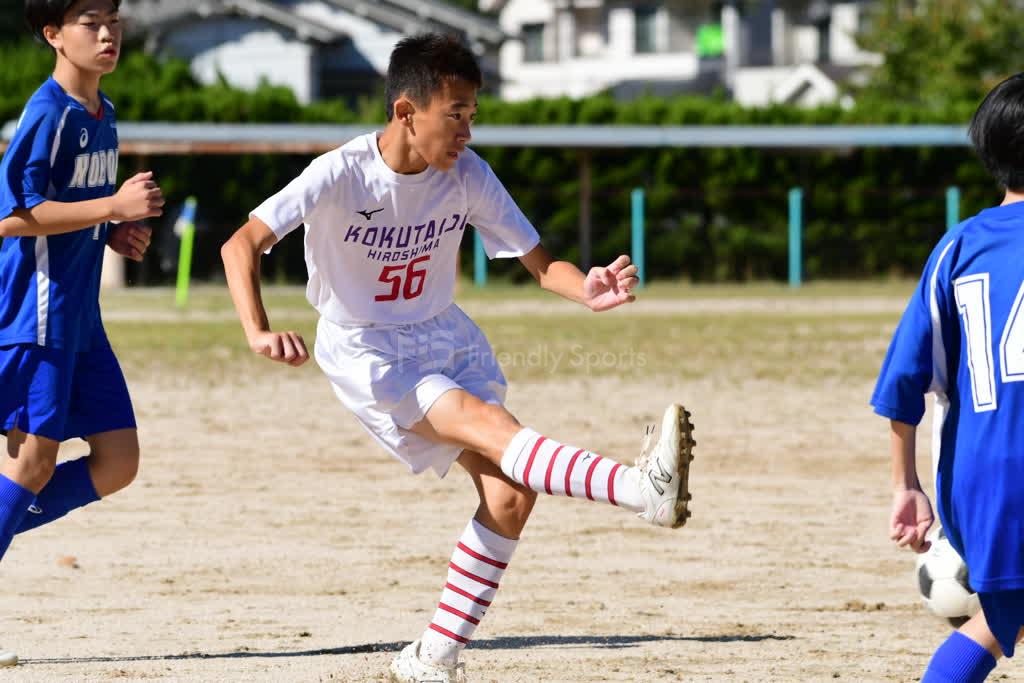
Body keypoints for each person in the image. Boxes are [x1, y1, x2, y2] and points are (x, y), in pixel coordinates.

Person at [221, 33, 695, 683]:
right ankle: (641, 490)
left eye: (474, 114)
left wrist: (585, 287)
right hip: (369, 347)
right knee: (490, 426)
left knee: (509, 493)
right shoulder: (341, 173)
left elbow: (540, 262)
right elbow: (241, 243)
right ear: (406, 111)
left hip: (444, 333)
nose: (467, 130)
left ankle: (431, 656)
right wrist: (258, 331)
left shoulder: (468, 175)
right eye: (457, 113)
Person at [0, 0, 164, 666]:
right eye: (90, 22)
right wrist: (112, 205)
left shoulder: (105, 115)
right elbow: (13, 216)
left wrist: (113, 230)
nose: (107, 34)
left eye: (113, 22)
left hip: (81, 318)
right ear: (52, 34)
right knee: (33, 465)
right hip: (36, 314)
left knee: (118, 461)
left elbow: (73, 213)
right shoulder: (47, 113)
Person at [873, 73, 1024, 683]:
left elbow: (903, 382)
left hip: (982, 481)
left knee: (995, 622)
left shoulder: (958, 247)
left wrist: (905, 485)